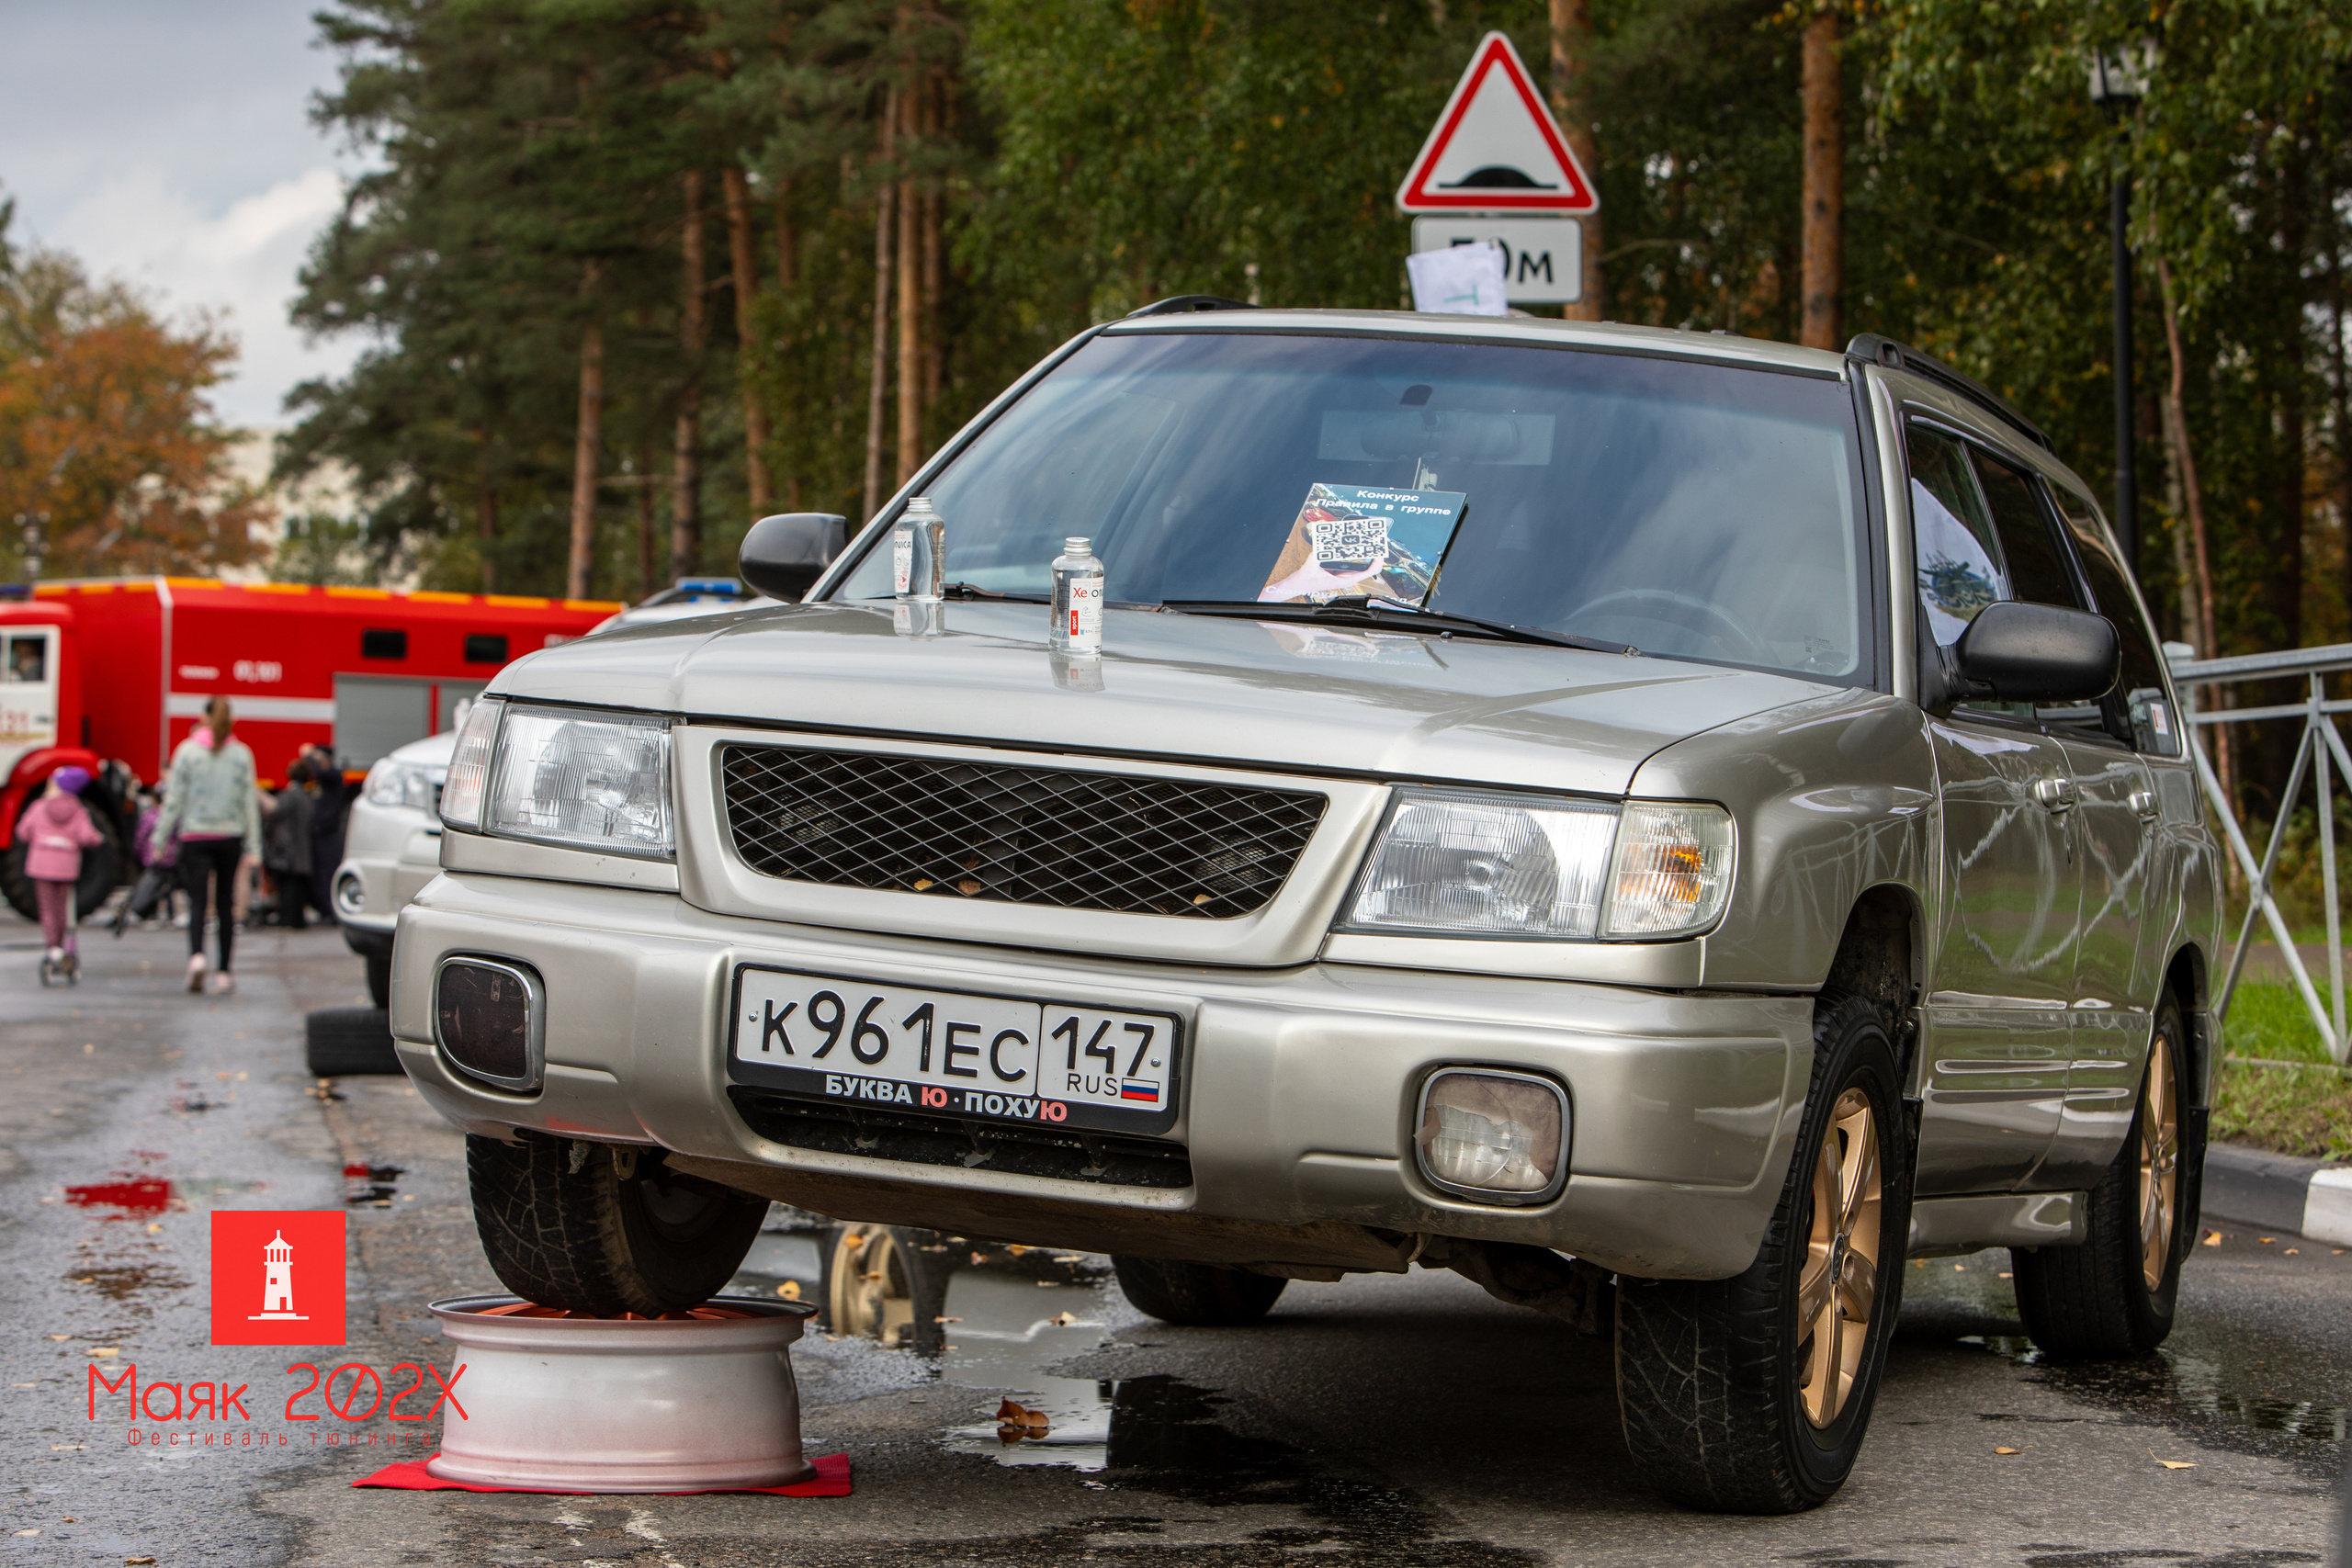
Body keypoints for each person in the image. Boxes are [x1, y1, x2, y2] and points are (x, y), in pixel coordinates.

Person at [155, 695, 262, 994]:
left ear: (202, 717)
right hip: (230, 836)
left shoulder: (187, 752)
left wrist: (160, 838)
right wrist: (255, 847)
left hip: (195, 836)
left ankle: (197, 957)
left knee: (198, 902)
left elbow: (173, 800)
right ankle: (225, 971)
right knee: (226, 904)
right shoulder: (241, 754)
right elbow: (248, 803)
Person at [15, 766, 101, 976]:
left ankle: (52, 947)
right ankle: (61, 946)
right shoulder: (78, 811)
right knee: (62, 908)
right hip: (66, 867)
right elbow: (88, 836)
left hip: (41, 866)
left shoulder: (39, 807)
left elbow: (23, 832)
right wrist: (99, 840)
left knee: (47, 909)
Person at [264, 760, 315, 930]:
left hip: (289, 848)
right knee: (299, 886)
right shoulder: (308, 797)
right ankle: (298, 919)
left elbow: (274, 813)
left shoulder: (288, 796)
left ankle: (287, 918)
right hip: (304, 846)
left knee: (287, 886)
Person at [303, 742, 347, 923]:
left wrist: (308, 757)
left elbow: (320, 773)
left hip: (329, 834)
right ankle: (322, 909)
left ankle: (330, 911)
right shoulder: (322, 780)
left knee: (328, 872)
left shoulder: (334, 775)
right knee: (318, 872)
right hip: (319, 833)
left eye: (319, 758)